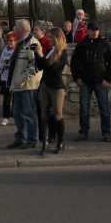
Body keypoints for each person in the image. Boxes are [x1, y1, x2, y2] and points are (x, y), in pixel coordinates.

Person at [70, 22, 111, 142]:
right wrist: (77, 78)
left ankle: (106, 132)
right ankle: (83, 132)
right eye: (93, 30)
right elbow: (74, 64)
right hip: (85, 82)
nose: (95, 32)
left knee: (104, 108)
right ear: (88, 30)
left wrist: (107, 79)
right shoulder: (81, 45)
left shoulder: (104, 44)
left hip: (100, 81)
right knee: (84, 108)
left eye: (97, 30)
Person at [6, 19, 42, 149]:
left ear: (21, 29)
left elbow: (33, 66)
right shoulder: (21, 43)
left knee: (29, 113)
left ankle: (33, 139)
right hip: (19, 85)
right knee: (17, 113)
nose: (14, 29)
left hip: (27, 85)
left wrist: (20, 80)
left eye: (16, 27)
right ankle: (21, 138)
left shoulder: (33, 43)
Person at [34, 27, 68, 155]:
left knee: (58, 114)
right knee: (43, 114)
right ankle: (45, 143)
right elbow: (42, 66)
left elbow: (52, 68)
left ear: (56, 38)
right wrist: (38, 54)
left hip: (56, 86)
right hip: (45, 85)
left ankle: (61, 142)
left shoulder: (63, 52)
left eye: (51, 37)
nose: (49, 39)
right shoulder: (50, 49)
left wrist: (42, 55)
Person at [0, 32, 17, 126]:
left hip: (15, 78)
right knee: (6, 99)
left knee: (16, 99)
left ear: (15, 42)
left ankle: (17, 117)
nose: (9, 42)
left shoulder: (18, 52)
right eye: (8, 41)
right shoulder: (4, 51)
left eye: (11, 41)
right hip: (5, 78)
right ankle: (5, 117)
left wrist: (11, 66)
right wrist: (4, 65)